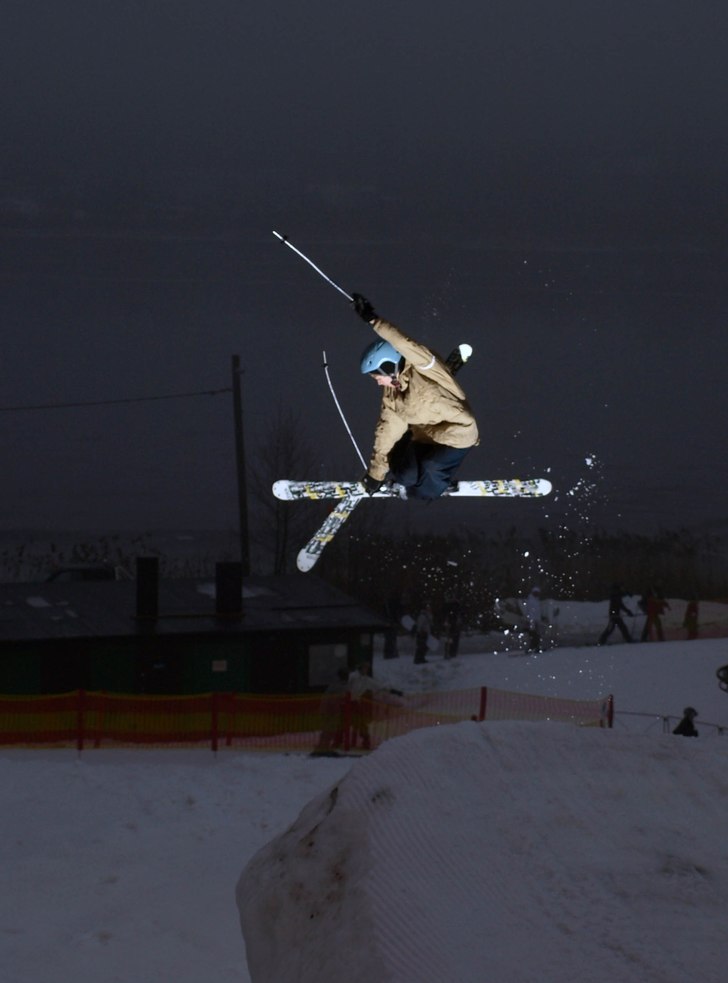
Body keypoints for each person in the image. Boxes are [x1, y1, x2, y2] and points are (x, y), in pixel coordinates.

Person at [351, 293, 479, 500]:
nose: (377, 382)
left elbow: (404, 344)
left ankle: (433, 487)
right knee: (405, 474)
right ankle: (411, 484)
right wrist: (376, 474)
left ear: (388, 367)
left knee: (429, 470)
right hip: (423, 436)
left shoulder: (422, 366)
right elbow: (386, 433)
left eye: (377, 377)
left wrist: (373, 320)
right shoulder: (392, 396)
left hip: (456, 435)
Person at [313, 666, 350, 755]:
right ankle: (323, 748)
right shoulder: (340, 686)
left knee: (328, 729)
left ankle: (323, 747)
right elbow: (335, 699)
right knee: (329, 729)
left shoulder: (336, 684)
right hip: (331, 711)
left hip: (327, 710)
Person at [522, 586, 543, 653]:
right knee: (533, 634)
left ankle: (536, 647)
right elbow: (529, 611)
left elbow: (537, 611)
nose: (537, 594)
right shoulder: (531, 601)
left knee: (536, 634)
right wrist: (529, 620)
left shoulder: (537, 601)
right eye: (536, 593)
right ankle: (532, 647)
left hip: (536, 620)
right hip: (532, 620)